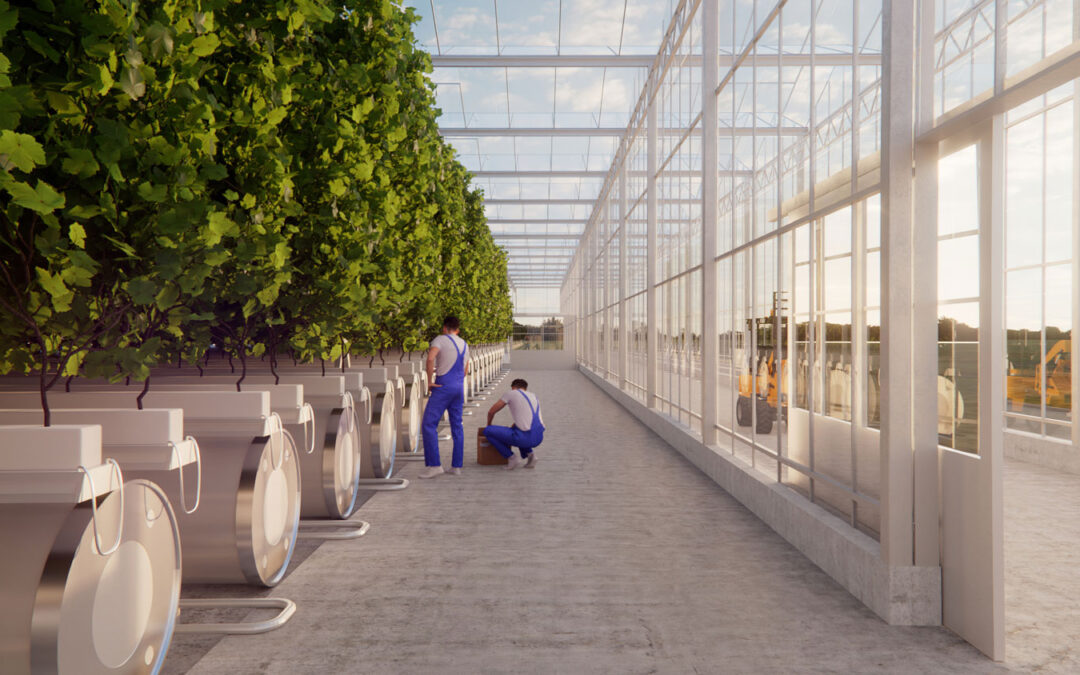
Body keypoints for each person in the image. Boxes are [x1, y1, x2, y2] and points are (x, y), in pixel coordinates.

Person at [419, 316, 470, 479]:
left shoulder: (439, 340)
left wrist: (429, 381)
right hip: (458, 388)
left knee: (428, 424)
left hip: (443, 387)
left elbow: (430, 358)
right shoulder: (464, 344)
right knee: (457, 426)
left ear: (444, 328)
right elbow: (465, 371)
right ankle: (456, 466)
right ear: (458, 329)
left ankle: (435, 465)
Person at [483, 378, 544, 470]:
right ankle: (531, 455)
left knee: (487, 431)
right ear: (525, 388)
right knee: (517, 428)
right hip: (539, 437)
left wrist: (488, 425)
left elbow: (491, 412)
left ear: (513, 387)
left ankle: (512, 457)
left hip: (524, 438)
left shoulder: (511, 393)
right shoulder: (533, 396)